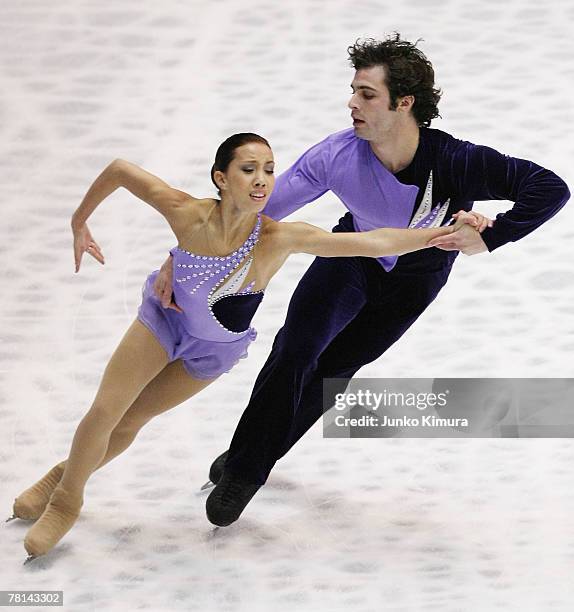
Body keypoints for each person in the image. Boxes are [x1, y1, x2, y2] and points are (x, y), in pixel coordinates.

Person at [153, 33, 570, 527]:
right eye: (354, 90)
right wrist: (182, 256)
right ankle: (246, 469)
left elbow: (549, 187)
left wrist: (493, 235)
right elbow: (253, 214)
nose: (352, 103)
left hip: (417, 276)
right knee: (296, 350)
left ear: (404, 103)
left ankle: (255, 456)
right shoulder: (336, 155)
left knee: (336, 368)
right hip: (351, 256)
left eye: (367, 94)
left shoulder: (457, 161)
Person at [8, 132, 484, 563]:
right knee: (107, 409)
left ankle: (61, 474)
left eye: (270, 170)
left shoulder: (279, 238)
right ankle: (69, 500)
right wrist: (78, 222)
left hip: (211, 352)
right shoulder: (185, 212)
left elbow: (374, 240)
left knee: (133, 419)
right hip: (164, 323)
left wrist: (441, 235)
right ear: (221, 176)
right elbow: (119, 170)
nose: (262, 180)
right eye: (249, 169)